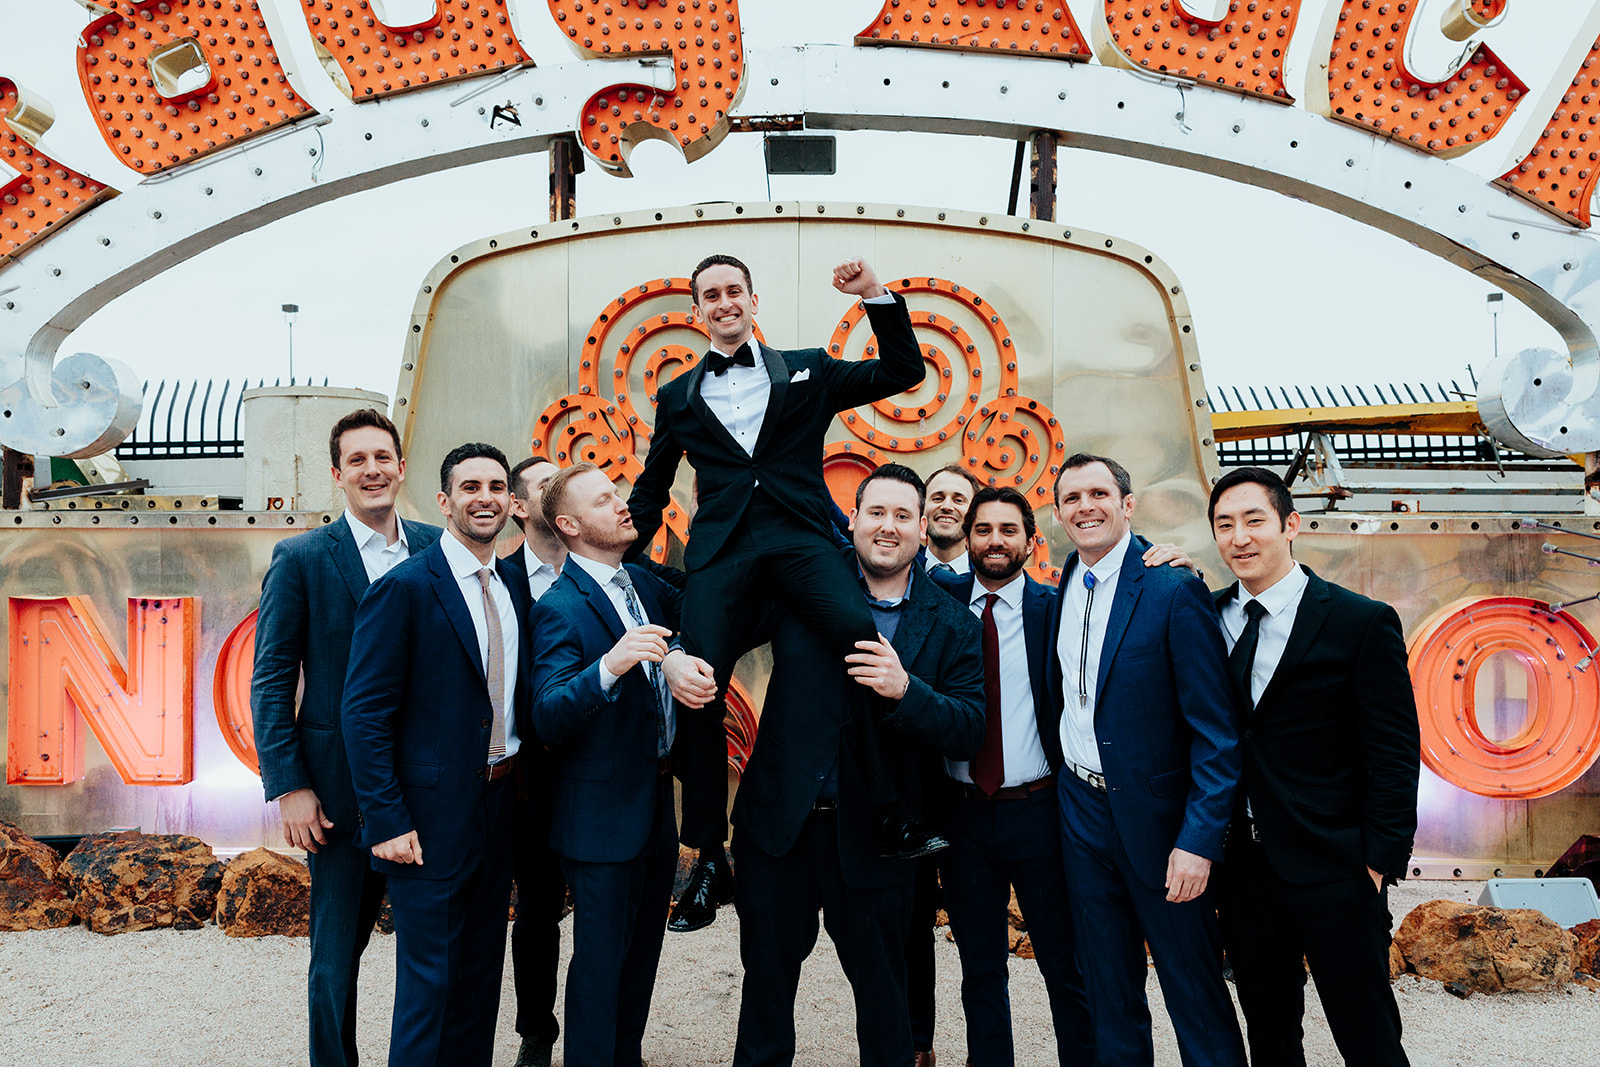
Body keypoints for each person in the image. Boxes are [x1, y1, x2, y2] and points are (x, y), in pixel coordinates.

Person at [624, 253, 930, 932]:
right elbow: (650, 490)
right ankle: (707, 855)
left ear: (753, 301)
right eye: (712, 295)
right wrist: (606, 549)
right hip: (724, 553)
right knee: (696, 678)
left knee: (864, 645)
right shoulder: (677, 397)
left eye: (735, 290)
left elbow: (902, 371)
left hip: (800, 538)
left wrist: (876, 294)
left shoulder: (808, 368)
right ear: (699, 312)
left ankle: (890, 808)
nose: (725, 302)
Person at [727, 463, 985, 1067]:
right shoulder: (802, 586)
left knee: (884, 1002)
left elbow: (968, 728)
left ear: (923, 528)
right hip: (779, 827)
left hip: (878, 837)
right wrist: (683, 653)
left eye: (902, 516)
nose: (887, 527)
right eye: (876, 513)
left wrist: (906, 690)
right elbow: (720, 612)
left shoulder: (953, 624)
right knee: (764, 997)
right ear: (854, 519)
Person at [1208, 466, 1420, 1067]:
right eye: (1225, 526)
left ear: (1290, 524)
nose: (1240, 538)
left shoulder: (1360, 621)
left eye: (1254, 521)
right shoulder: (1205, 616)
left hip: (1336, 865)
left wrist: (1379, 859)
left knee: (1368, 1036)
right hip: (1244, 866)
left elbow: (1395, 748)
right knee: (1270, 1037)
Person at [252, 407, 441, 1067]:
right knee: (334, 958)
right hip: (333, 793)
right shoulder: (302, 559)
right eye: (356, 459)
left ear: (400, 466)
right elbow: (272, 680)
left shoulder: (435, 546)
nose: (371, 469)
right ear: (337, 474)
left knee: (433, 950)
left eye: (381, 456)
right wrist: (291, 785)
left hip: (425, 784)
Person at [1046, 452, 1246, 1067]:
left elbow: (1217, 733)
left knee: (1193, 989)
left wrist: (1199, 840)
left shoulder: (1172, 587)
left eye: (1098, 494)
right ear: (1058, 514)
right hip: (1080, 812)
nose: (1086, 507)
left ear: (1127, 505)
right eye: (1072, 498)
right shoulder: (1063, 589)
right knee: (1109, 989)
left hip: (1162, 827)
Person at [342, 443, 530, 1067]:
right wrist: (388, 821)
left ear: (512, 502)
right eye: (470, 487)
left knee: (480, 982)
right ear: (445, 502)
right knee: (429, 989)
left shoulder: (510, 589)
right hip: (425, 820)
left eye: (497, 487)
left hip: (499, 806)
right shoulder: (404, 588)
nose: (486, 498)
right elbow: (364, 715)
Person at [528, 461, 706, 1067]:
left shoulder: (646, 587)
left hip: (657, 805)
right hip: (598, 818)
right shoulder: (558, 607)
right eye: (604, 501)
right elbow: (548, 713)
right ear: (570, 525)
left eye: (617, 494)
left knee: (639, 966)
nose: (622, 504)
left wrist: (676, 654)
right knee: (601, 972)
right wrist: (611, 664)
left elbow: (692, 623)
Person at [931, 486, 1096, 1067]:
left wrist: (1165, 555)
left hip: (1040, 811)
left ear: (1031, 542)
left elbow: (1123, 580)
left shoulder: (1057, 608)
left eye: (1008, 530)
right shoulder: (936, 599)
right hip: (961, 813)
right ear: (966, 538)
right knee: (979, 967)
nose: (995, 541)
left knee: (1064, 961)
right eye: (984, 529)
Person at [497, 456, 567, 1067]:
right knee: (538, 911)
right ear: (520, 507)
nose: (560, 488)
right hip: (529, 782)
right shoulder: (496, 580)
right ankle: (536, 1034)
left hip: (603, 773)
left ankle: (613, 1035)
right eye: (545, 485)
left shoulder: (613, 574)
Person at [922, 463, 981, 579]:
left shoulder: (989, 581)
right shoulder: (898, 571)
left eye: (958, 500)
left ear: (975, 514)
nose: (947, 506)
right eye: (938, 498)